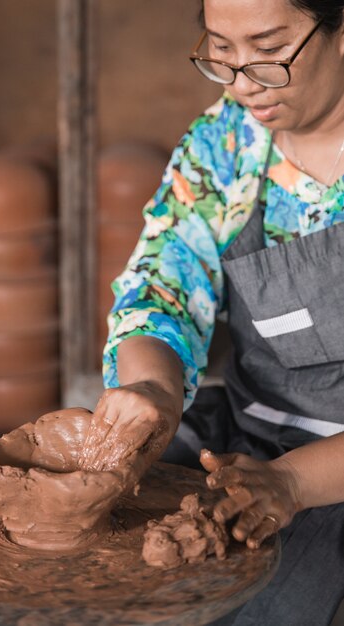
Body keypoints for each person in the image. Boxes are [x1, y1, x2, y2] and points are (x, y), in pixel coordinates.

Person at [81, 1, 344, 623]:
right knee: (100, 549)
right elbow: (163, 287)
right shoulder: (228, 142)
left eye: (268, 49)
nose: (242, 83)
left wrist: (294, 484)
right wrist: (152, 390)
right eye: (221, 51)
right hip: (248, 426)